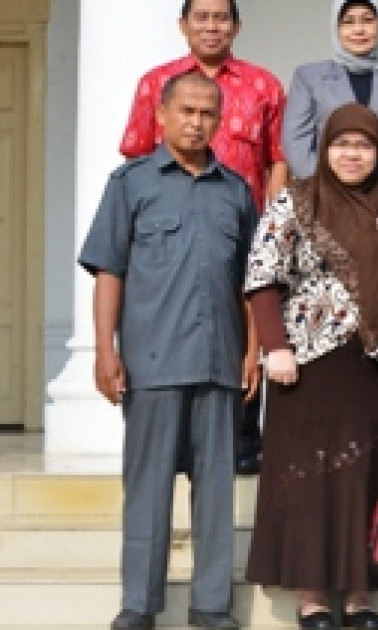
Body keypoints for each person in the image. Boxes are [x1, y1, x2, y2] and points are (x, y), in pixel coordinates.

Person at [242, 103, 378, 630]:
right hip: (305, 367)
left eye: (364, 145)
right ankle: (312, 596)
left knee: (364, 478)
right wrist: (275, 347)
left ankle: (359, 594)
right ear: (325, 149)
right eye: (342, 144)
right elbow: (262, 276)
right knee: (310, 479)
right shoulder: (296, 201)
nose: (352, 155)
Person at [81, 73, 259, 630]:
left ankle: (211, 605)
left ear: (219, 120)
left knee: (215, 491)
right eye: (187, 111)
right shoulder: (130, 184)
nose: (197, 122)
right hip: (152, 362)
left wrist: (252, 350)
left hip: (219, 360)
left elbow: (251, 282)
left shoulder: (236, 191)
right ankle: (139, 603)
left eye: (208, 114)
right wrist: (104, 351)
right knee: (149, 487)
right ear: (161, 115)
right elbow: (109, 271)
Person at [119, 0, 288, 476]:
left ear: (236, 26)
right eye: (202, 17)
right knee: (170, 333)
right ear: (183, 25)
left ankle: (240, 444)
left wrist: (272, 224)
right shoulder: (156, 82)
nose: (212, 26)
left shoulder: (264, 85)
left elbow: (278, 158)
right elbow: (135, 153)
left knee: (242, 335)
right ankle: (170, 449)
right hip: (171, 236)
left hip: (241, 233)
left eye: (221, 18)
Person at [283, 0, 378, 197]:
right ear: (336, 27)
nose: (358, 30)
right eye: (348, 22)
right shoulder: (308, 78)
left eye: (367, 20)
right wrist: (330, 196)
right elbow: (296, 144)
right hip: (322, 200)